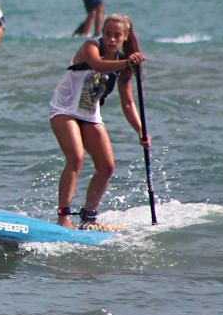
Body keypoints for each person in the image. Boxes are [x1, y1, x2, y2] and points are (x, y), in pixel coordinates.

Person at [49, 13, 151, 229]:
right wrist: (128, 62)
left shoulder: (124, 65)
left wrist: (140, 131)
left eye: (116, 35)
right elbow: (98, 65)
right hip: (64, 108)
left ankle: (89, 217)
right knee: (76, 158)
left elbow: (128, 103)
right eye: (107, 34)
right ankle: (63, 217)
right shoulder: (90, 47)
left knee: (106, 167)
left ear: (125, 37)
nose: (111, 39)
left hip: (90, 114)